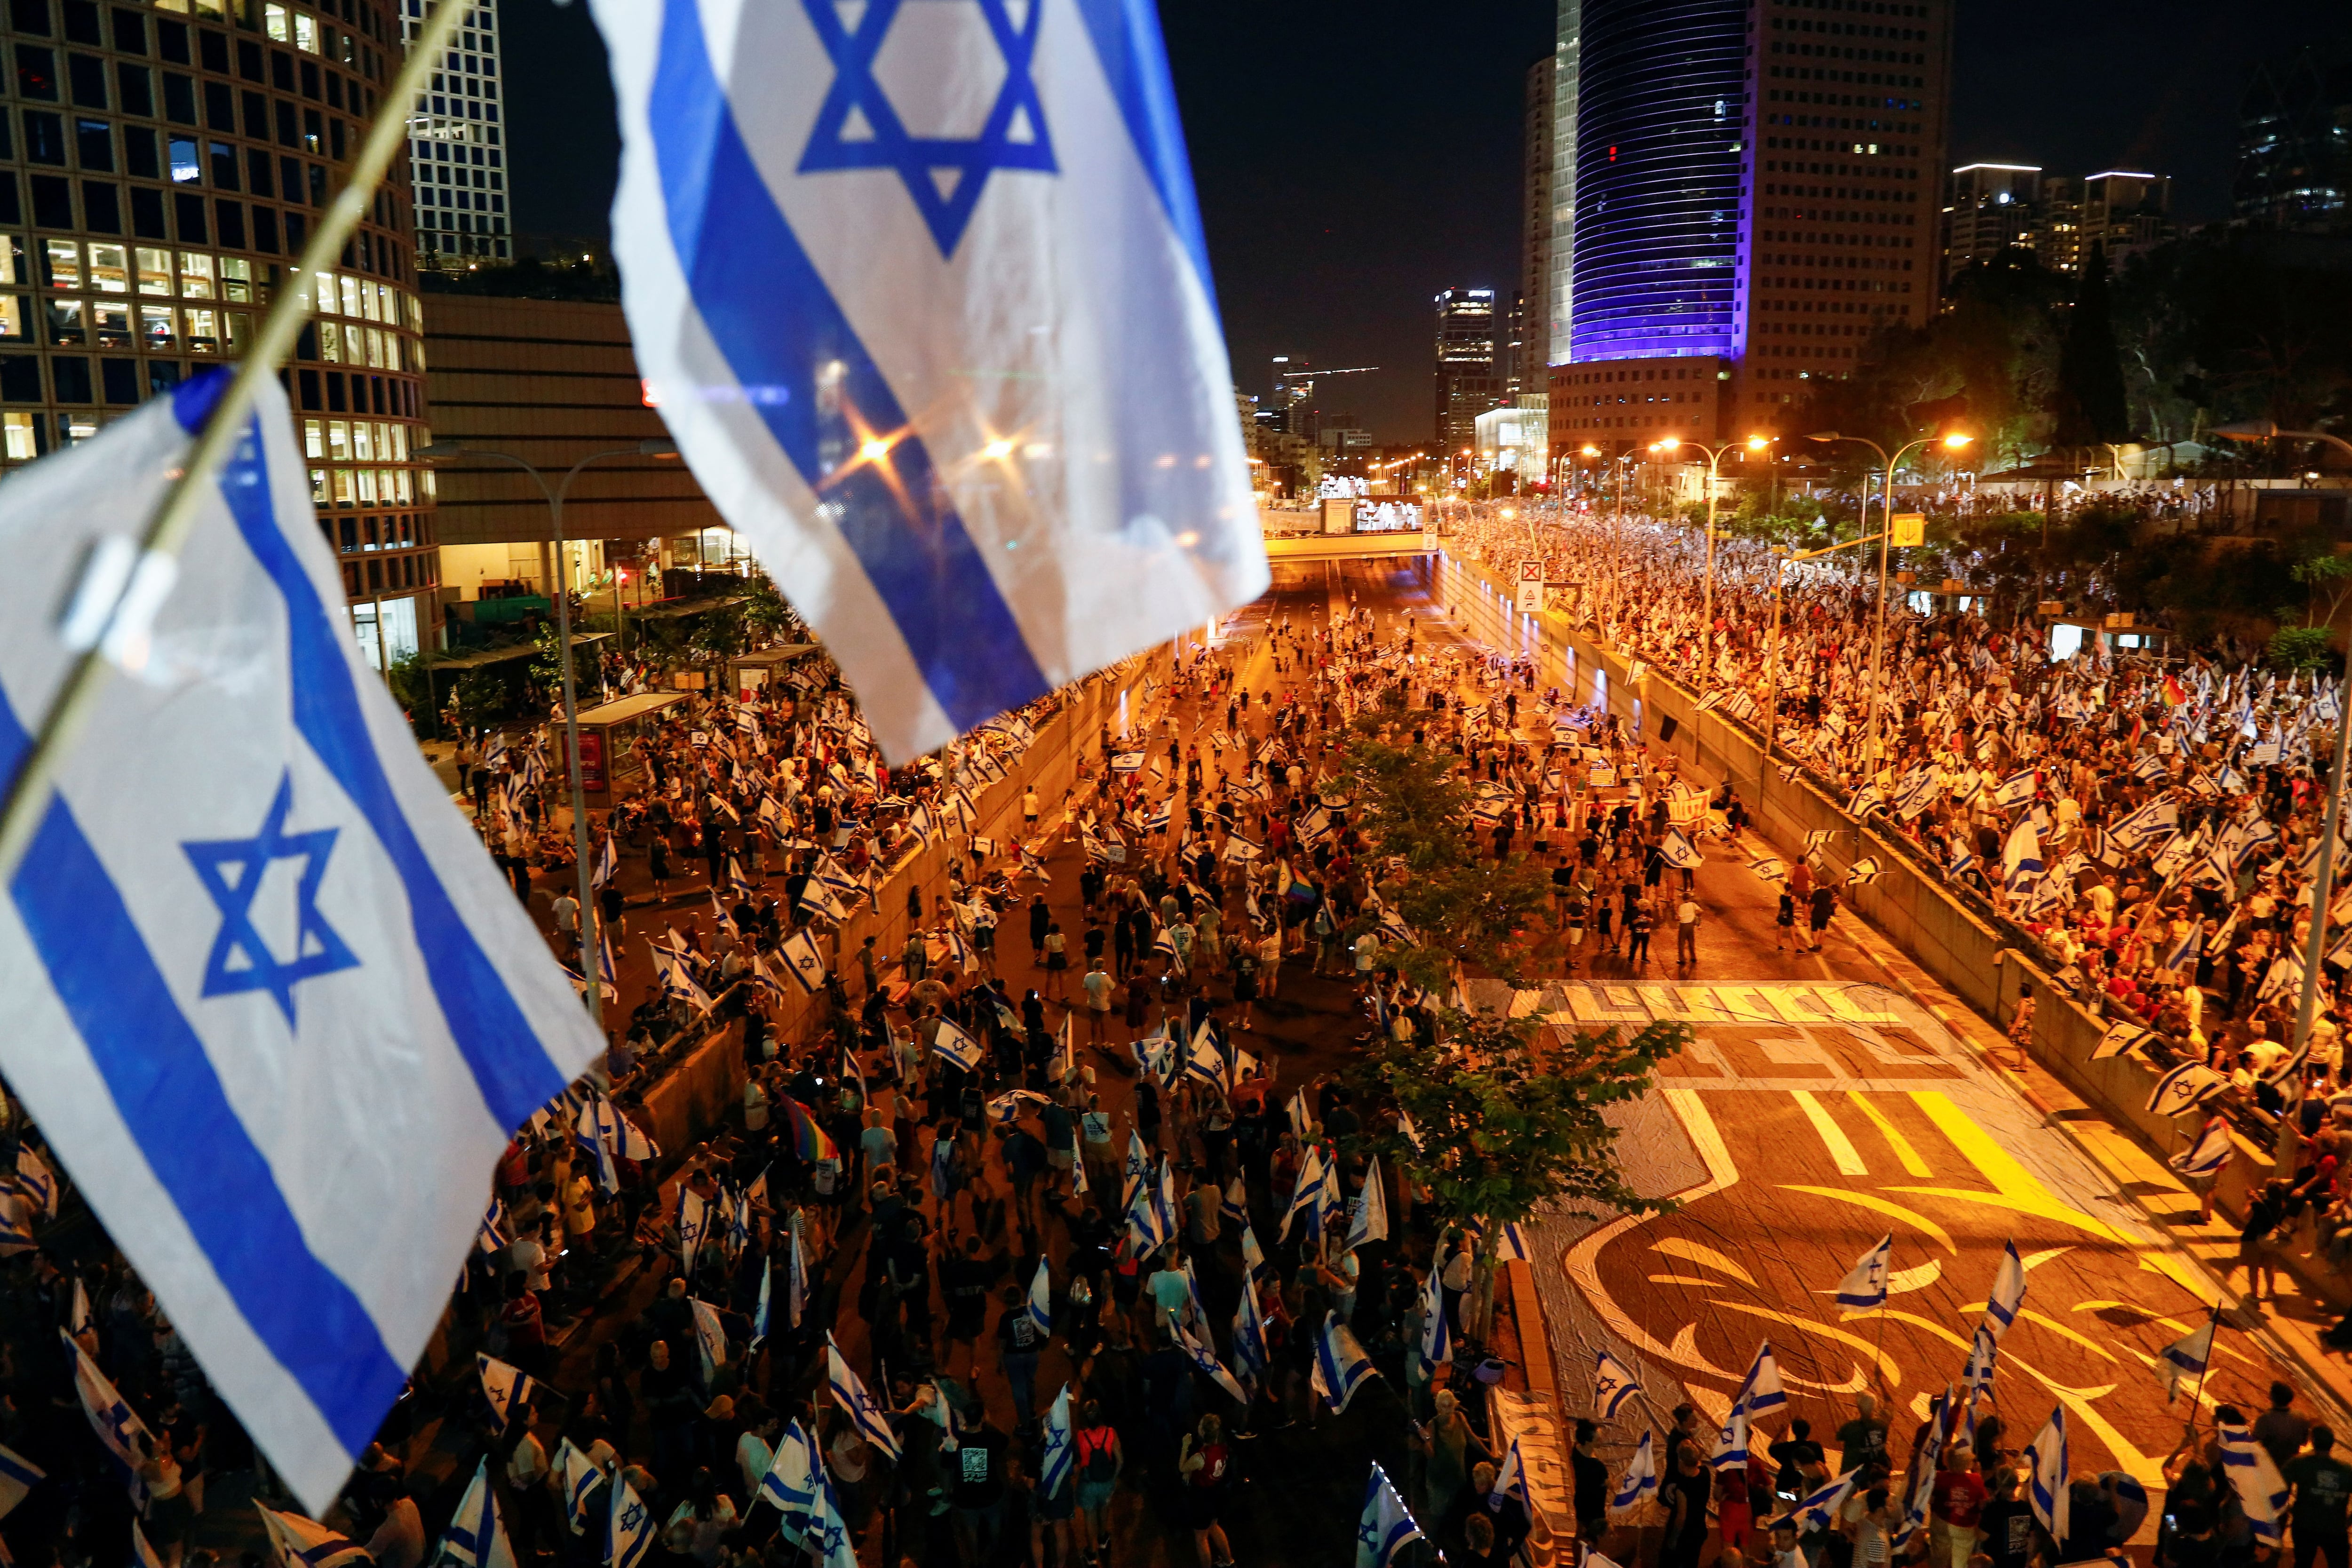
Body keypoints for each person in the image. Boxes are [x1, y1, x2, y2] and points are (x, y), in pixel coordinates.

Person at [2286, 1425, 2352, 1568]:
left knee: (2303, 1563)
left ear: (2313, 1441)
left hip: (2305, 1525)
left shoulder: (2299, 1464)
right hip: (2335, 1527)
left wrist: (2291, 1510)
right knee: (2339, 1564)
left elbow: (2280, 1489)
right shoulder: (2347, 1470)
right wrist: (2348, 1521)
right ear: (2332, 1444)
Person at [1177, 1412, 1235, 1568]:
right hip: (1218, 1493)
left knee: (1201, 1537)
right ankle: (1229, 1561)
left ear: (1203, 1432)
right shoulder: (1223, 1446)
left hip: (1202, 1498)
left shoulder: (1200, 1457)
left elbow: (1183, 1467)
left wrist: (1185, 1446)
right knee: (1214, 1526)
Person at [1072, 1399, 1123, 1564]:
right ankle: (1103, 1540)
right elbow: (1120, 1461)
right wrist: (1113, 1479)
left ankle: (1092, 1555)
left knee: (1089, 1517)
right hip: (1106, 1481)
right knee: (1104, 1508)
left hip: (1088, 1482)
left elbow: (1080, 1462)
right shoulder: (1111, 1433)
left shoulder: (1082, 1437)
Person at [1660, 1441, 1713, 1568]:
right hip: (1699, 1528)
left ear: (1682, 1462)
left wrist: (1673, 1538)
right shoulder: (1705, 1473)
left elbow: (1681, 1518)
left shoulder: (1683, 1487)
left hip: (1686, 1534)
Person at [1571, 1417, 1611, 1547]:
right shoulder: (1597, 1466)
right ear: (1588, 1442)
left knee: (1580, 1532)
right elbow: (1608, 1485)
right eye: (1597, 1439)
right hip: (1595, 1506)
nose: (1601, 1440)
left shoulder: (1577, 1450)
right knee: (1596, 1538)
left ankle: (1578, 1562)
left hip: (1581, 1500)